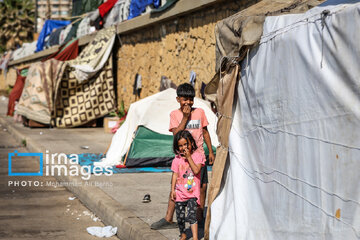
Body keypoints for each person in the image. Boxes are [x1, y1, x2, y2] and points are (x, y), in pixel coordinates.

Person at [151, 83, 215, 229]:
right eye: (184, 99)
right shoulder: (175, 115)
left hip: (199, 157)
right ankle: (168, 218)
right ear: (178, 99)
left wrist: (210, 151)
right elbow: (176, 136)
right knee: (178, 186)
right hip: (182, 159)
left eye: (190, 99)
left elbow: (205, 132)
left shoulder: (200, 112)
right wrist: (185, 118)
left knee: (202, 186)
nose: (188, 102)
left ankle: (199, 218)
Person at [171, 130, 204, 240]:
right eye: (180, 145)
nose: (183, 147)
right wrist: (172, 190)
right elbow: (175, 175)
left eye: (186, 144)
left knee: (191, 216)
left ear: (191, 143)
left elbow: (196, 170)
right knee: (180, 217)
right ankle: (183, 234)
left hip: (192, 194)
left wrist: (189, 157)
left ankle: (195, 237)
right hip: (180, 193)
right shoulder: (177, 159)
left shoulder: (198, 156)